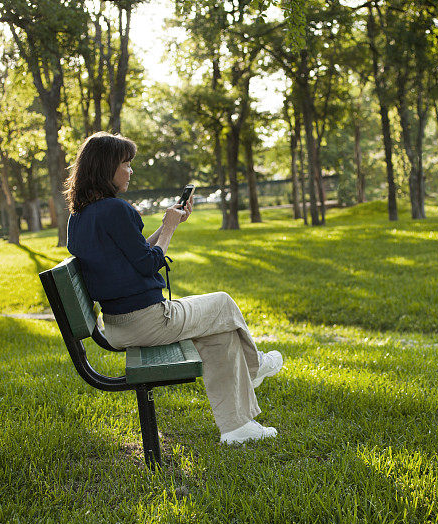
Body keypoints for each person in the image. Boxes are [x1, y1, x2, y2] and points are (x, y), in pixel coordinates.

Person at [64, 132, 283, 445]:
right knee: (222, 303)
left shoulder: (81, 216)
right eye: (125, 164)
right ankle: (256, 365)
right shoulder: (116, 209)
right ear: (105, 167)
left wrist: (169, 226)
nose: (130, 171)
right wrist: (167, 228)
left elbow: (132, 252)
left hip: (117, 324)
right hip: (147, 321)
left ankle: (238, 429)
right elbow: (147, 264)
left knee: (219, 330)